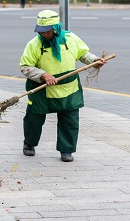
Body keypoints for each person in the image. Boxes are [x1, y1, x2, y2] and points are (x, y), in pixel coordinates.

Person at [19, 10, 106, 162]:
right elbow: (25, 66)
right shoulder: (34, 44)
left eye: (47, 31)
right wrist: (43, 75)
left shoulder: (71, 38)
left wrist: (94, 60)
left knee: (70, 120)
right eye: (41, 31)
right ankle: (29, 143)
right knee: (33, 118)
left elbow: (83, 54)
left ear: (56, 28)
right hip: (42, 88)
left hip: (68, 87)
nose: (43, 34)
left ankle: (66, 150)